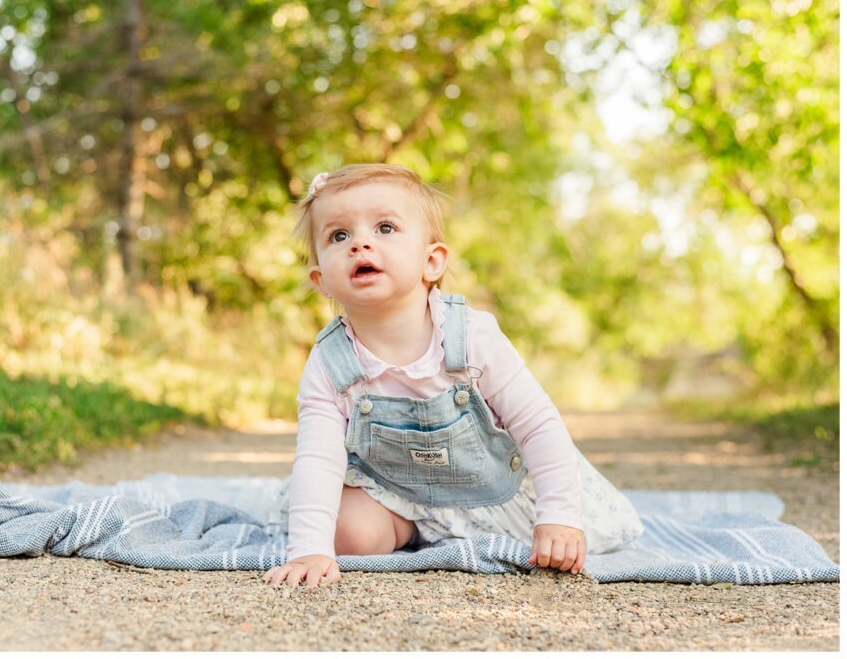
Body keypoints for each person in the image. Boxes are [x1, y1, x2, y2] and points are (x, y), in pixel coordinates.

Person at [263, 164, 643, 588]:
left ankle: (503, 522)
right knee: (345, 535)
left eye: (385, 227)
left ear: (431, 261)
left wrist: (559, 516)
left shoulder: (471, 337)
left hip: (491, 489)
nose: (361, 243)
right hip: (394, 492)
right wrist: (310, 549)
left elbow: (538, 425)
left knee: (561, 536)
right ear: (321, 282)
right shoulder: (330, 362)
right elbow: (319, 456)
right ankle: (408, 528)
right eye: (339, 236)